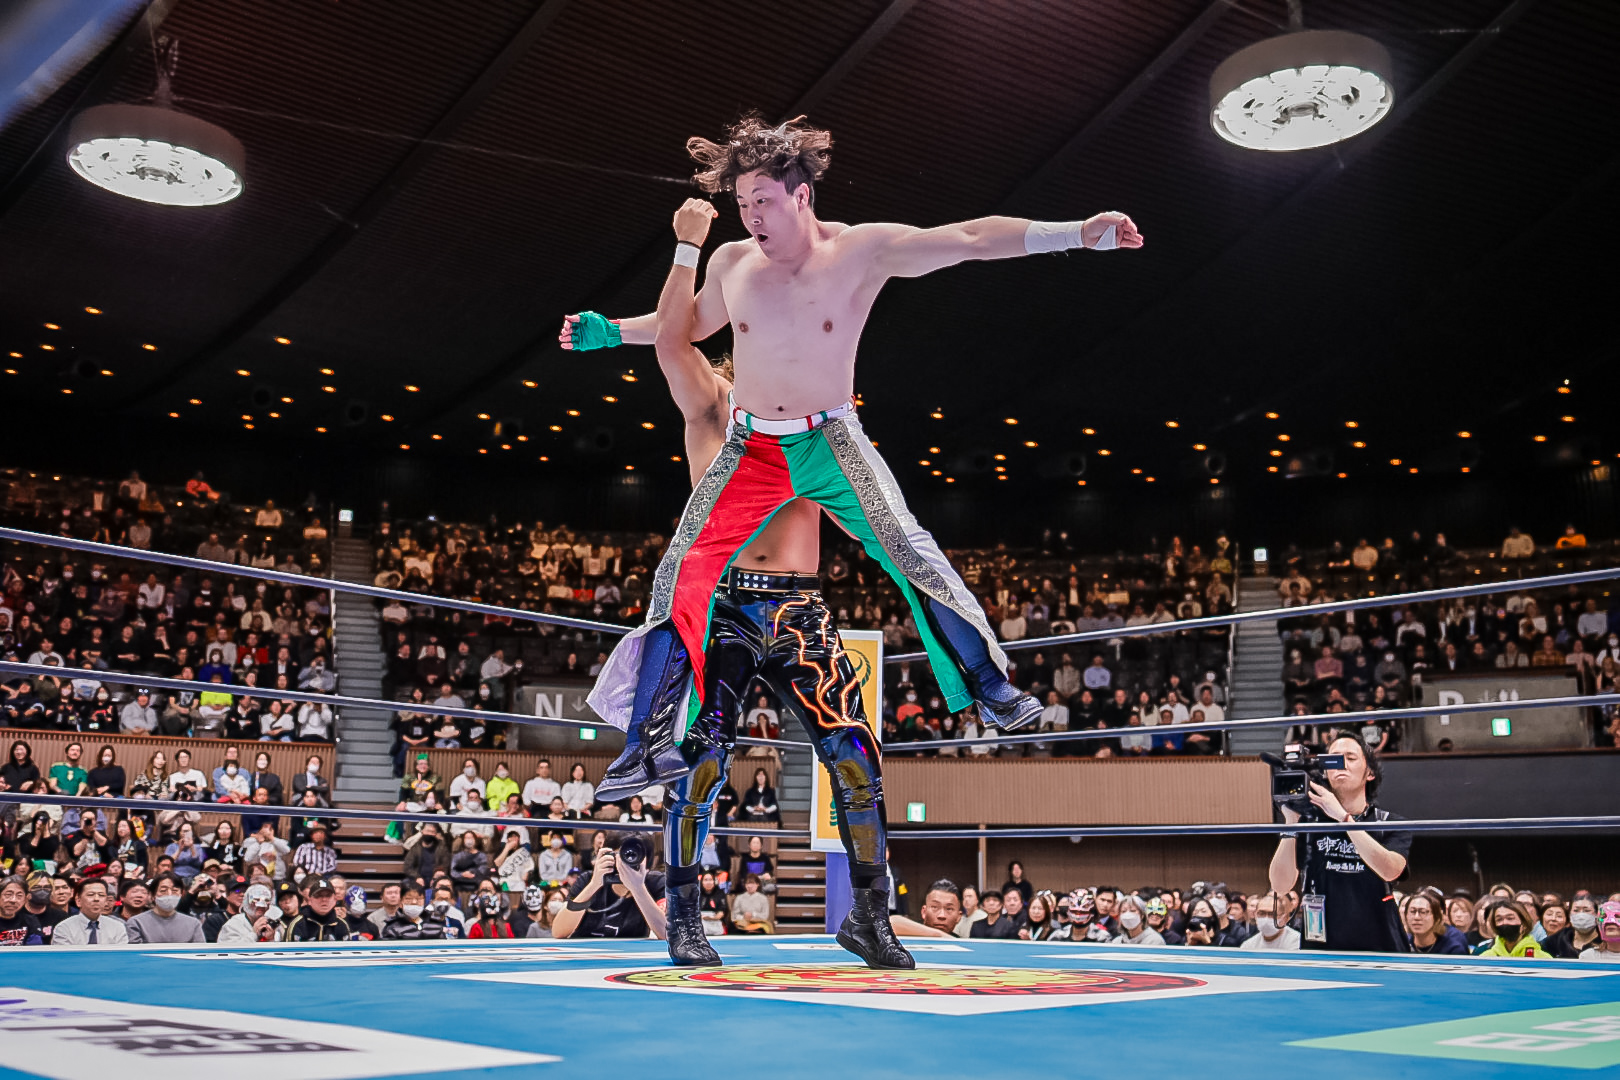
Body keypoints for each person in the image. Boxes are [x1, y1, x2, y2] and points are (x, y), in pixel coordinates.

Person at [579, 115, 1127, 775]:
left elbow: (970, 239)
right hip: (750, 446)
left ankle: (988, 684)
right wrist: (613, 331)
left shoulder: (859, 251)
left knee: (907, 544)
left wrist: (1076, 233)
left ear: (801, 195)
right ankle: (643, 743)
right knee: (680, 570)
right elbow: (683, 327)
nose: (751, 216)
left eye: (763, 201)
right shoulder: (731, 262)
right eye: (743, 203)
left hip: (831, 438)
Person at [577, 197, 918, 971]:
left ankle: (870, 917)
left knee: (856, 755)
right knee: (701, 760)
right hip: (723, 602)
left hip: (801, 607)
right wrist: (687, 247)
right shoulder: (713, 405)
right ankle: (683, 919)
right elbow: (674, 337)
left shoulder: (821, 417)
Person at [1268, 731, 1411, 952]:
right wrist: (1291, 823)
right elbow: (1280, 885)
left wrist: (1344, 819)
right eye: (1334, 759)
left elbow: (1391, 871)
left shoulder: (1388, 822)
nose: (1342, 764)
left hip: (1380, 946)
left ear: (1370, 772)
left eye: (1351, 758)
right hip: (1321, 945)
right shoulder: (1310, 822)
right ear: (1325, 771)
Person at [552, 842, 666, 940]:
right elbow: (559, 932)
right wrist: (593, 885)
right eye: (623, 856)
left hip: (631, 954)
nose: (628, 863)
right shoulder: (588, 879)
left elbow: (667, 933)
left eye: (634, 856)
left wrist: (638, 888)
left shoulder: (654, 882)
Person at [126, 872, 205, 943]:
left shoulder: (194, 924)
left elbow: (200, 952)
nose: (169, 894)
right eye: (163, 890)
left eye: (174, 890)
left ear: (181, 894)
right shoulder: (136, 923)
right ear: (152, 895)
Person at [52, 878, 127, 946]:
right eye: (91, 895)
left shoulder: (117, 928)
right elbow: (65, 956)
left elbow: (121, 955)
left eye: (101, 895)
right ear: (78, 900)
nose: (96, 899)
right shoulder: (64, 928)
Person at [284, 875, 354, 941]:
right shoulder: (297, 924)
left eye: (328, 895)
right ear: (310, 900)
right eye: (318, 896)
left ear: (335, 900)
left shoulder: (342, 925)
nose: (324, 899)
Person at [1476, 898, 1548, 958]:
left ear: (1524, 924)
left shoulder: (1542, 958)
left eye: (1510, 918)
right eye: (1499, 919)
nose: (1504, 922)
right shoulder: (1486, 958)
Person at [0, 876, 45, 946]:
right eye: (8, 894)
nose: (13, 900)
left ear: (26, 899)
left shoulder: (30, 921)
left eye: (19, 896)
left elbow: (35, 949)